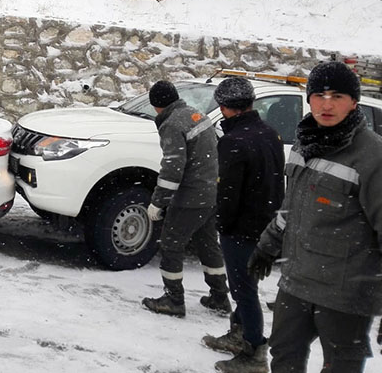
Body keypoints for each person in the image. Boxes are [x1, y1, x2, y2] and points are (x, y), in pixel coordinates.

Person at [249, 61, 382, 373]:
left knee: (341, 366)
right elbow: (291, 208)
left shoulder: (372, 156)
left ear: (353, 102)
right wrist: (267, 246)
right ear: (308, 99)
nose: (326, 104)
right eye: (319, 95)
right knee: (282, 356)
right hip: (296, 282)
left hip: (345, 293)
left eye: (337, 96)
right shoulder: (304, 144)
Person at [202, 77, 284, 373]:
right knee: (246, 285)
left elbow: (228, 193)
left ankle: (253, 352)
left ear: (223, 107)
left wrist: (222, 225)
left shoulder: (234, 141)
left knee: (244, 291)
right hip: (266, 224)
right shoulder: (270, 133)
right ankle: (239, 334)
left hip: (241, 228)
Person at [141, 80, 230, 318]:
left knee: (171, 243)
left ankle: (174, 300)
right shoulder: (196, 115)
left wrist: (158, 202)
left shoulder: (172, 124)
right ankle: (220, 296)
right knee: (208, 244)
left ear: (157, 106)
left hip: (190, 197)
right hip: (210, 193)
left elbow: (172, 167)